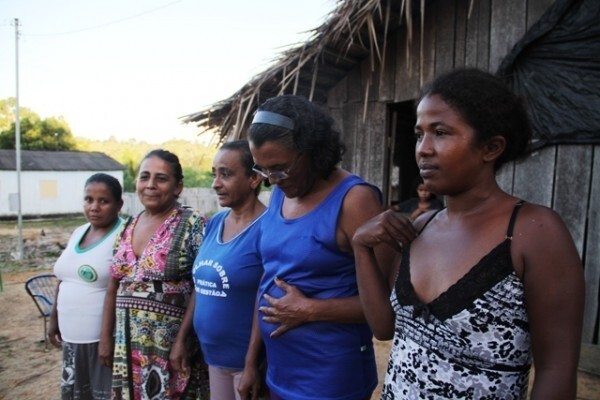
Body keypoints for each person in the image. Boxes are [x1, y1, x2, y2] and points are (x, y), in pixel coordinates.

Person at [352, 68, 585, 399]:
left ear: (491, 148)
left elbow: (556, 371)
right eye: (419, 135)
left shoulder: (533, 232)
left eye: (441, 133)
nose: (423, 149)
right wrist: (360, 246)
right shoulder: (420, 227)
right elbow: (383, 327)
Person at [238, 95, 395, 400]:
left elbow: (387, 304)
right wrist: (251, 362)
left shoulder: (355, 200)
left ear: (312, 151)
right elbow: (268, 281)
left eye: (280, 168)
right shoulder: (283, 192)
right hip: (279, 371)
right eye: (263, 170)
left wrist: (311, 310)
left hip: (330, 378)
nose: (272, 181)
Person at [99, 149, 210, 400]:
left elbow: (201, 286)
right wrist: (105, 337)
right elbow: (113, 285)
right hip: (127, 345)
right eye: (144, 177)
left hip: (170, 346)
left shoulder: (193, 223)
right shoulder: (127, 226)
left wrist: (182, 340)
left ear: (178, 187)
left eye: (161, 178)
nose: (150, 185)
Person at [170, 140, 267, 400]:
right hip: (213, 359)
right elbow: (202, 286)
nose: (215, 183)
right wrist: (182, 338)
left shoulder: (267, 228)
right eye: (214, 174)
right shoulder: (215, 223)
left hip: (247, 365)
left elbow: (264, 299)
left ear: (254, 178)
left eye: (226, 174)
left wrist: (251, 364)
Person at [48, 173, 124, 400]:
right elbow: (64, 279)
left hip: (100, 342)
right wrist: (54, 318)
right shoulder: (78, 232)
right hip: (72, 339)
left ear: (119, 205)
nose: (94, 207)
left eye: (103, 201)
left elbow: (117, 289)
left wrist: (106, 339)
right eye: (88, 199)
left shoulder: (123, 236)